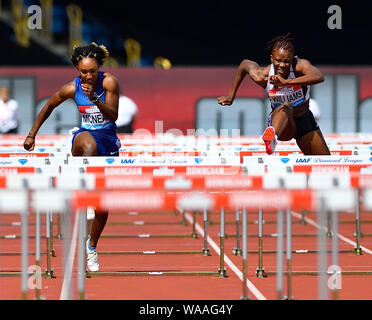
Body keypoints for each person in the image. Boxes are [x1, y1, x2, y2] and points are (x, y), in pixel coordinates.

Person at [23, 42, 121, 272]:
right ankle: (85, 190)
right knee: (87, 143)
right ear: (77, 70)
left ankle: (92, 247)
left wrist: (96, 100)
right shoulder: (72, 88)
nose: (87, 76)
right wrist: (31, 135)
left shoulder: (109, 82)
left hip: (108, 140)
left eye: (92, 71)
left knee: (103, 207)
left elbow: (114, 116)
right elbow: (48, 106)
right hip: (84, 138)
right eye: (83, 71)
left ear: (99, 69)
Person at [217, 33, 330, 156]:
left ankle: (273, 135)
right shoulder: (264, 76)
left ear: (292, 59)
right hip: (282, 124)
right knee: (286, 107)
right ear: (272, 58)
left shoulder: (300, 66)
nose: (282, 65)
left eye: (286, 61)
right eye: (278, 61)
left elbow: (319, 76)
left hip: (304, 120)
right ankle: (271, 138)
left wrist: (287, 82)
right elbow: (245, 65)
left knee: (326, 163)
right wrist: (231, 96)